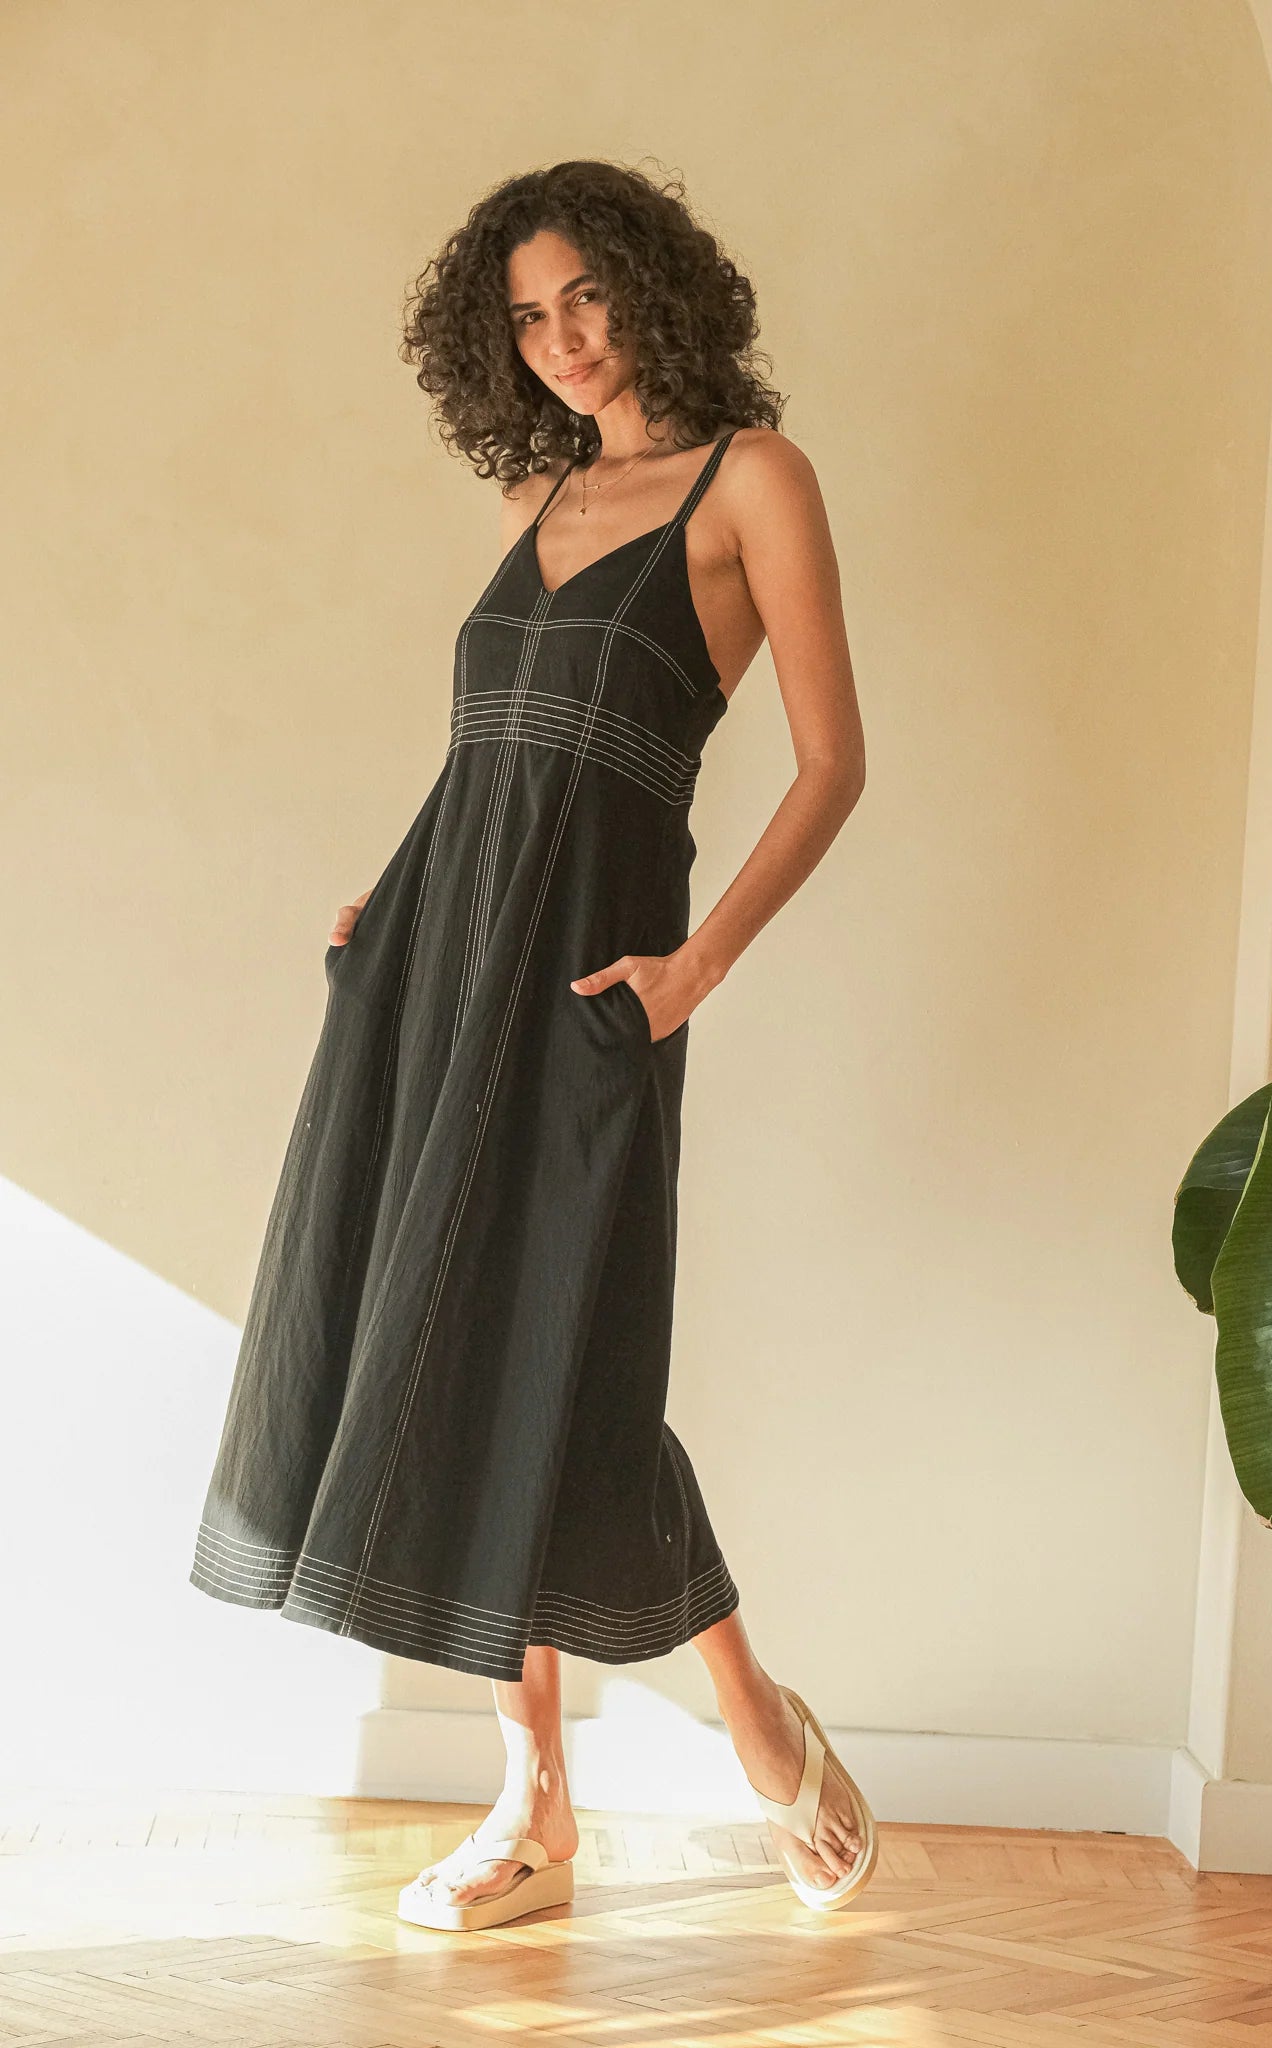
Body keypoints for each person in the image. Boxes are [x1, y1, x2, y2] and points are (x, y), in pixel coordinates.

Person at [188, 158, 872, 1927]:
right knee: (441, 1340)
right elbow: (494, 753)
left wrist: (696, 967)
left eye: (584, 295)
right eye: (523, 315)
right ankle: (534, 1804)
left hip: (590, 978)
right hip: (438, 954)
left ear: (651, 284)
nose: (560, 338)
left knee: (562, 1354)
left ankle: (749, 1714)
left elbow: (831, 764)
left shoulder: (752, 480)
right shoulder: (534, 492)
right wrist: (394, 895)